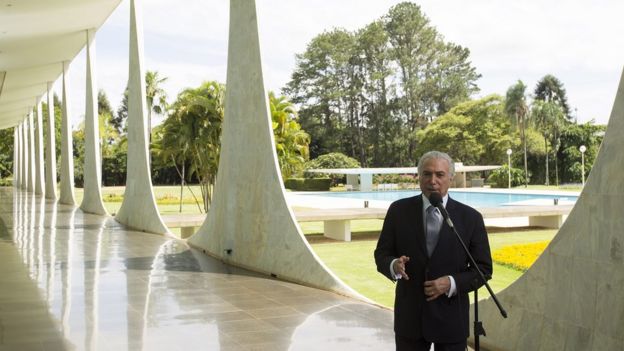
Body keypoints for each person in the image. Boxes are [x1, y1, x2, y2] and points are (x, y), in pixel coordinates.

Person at [374, 151, 492, 351]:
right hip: (410, 318)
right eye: (427, 174)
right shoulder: (398, 211)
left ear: (450, 179)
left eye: (440, 174)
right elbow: (382, 254)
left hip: (452, 319)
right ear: (419, 177)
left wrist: (451, 283)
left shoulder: (470, 218)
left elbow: (483, 269)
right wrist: (394, 265)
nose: (433, 181)